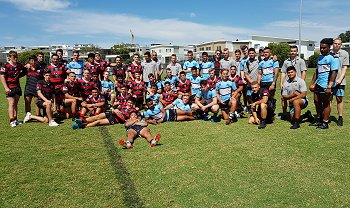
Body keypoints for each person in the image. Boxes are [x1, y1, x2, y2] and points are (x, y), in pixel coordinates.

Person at [309, 38, 339, 129]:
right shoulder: (320, 57)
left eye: (324, 48)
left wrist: (329, 86)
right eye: (321, 48)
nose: (322, 49)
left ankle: (325, 122)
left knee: (326, 103)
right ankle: (319, 119)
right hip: (319, 84)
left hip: (327, 85)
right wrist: (312, 83)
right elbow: (317, 71)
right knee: (316, 102)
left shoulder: (333, 58)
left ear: (329, 48)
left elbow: (334, 73)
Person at [280, 45, 307, 119]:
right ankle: (284, 114)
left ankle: (298, 114)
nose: (293, 52)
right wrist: (281, 83)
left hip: (297, 83)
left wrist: (302, 82)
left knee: (296, 99)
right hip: (288, 83)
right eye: (291, 51)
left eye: (294, 51)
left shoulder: (301, 61)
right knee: (283, 98)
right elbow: (283, 72)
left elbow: (303, 72)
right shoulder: (286, 61)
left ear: (297, 52)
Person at [72, 97, 136, 129]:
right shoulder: (123, 105)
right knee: (97, 117)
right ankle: (82, 121)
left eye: (131, 103)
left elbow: (124, 120)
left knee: (98, 122)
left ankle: (82, 126)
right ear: (127, 102)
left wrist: (117, 113)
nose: (129, 104)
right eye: (129, 102)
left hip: (115, 119)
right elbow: (113, 108)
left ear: (133, 104)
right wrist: (114, 110)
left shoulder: (133, 111)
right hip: (111, 113)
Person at [0, 51, 27, 127]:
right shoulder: (5, 65)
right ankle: (12, 120)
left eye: (16, 56)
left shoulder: (19, 65)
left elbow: (24, 70)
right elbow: (2, 77)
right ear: (10, 57)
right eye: (13, 56)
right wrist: (6, 88)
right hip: (9, 87)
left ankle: (15, 119)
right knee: (11, 103)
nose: (15, 58)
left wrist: (20, 75)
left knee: (16, 104)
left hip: (17, 86)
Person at [331, 38, 349, 126]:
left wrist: (340, 79)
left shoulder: (345, 54)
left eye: (339, 44)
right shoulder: (329, 53)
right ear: (332, 44)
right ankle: (327, 117)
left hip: (340, 81)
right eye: (335, 43)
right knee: (328, 99)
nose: (337, 45)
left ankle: (340, 117)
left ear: (341, 45)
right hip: (329, 81)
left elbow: (344, 68)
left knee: (339, 99)